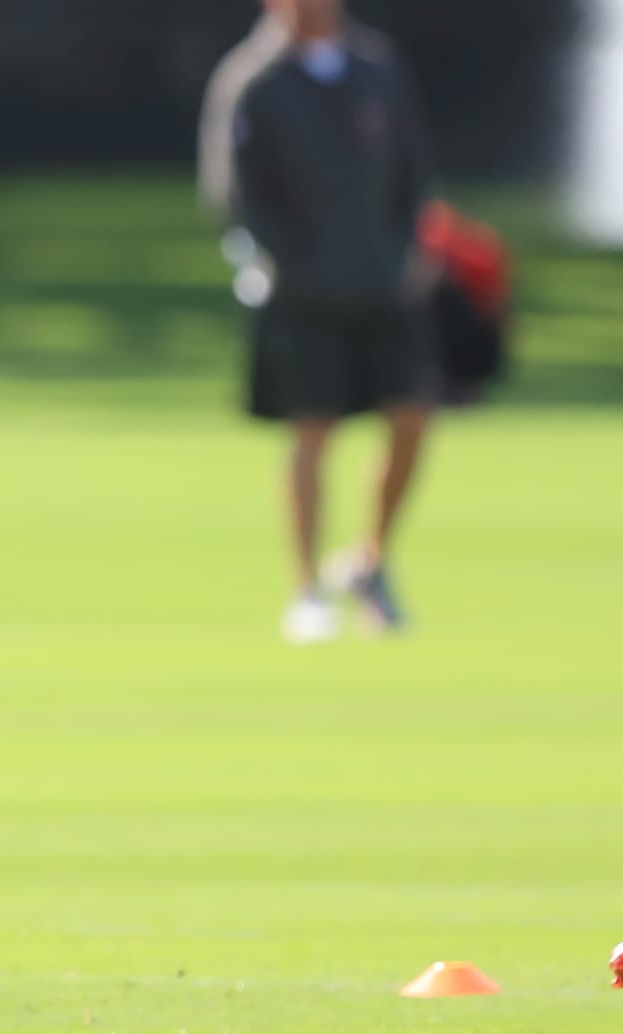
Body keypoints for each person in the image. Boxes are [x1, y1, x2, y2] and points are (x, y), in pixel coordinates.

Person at [204, 0, 436, 642]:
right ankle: (307, 589)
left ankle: (370, 559)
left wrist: (405, 249)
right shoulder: (253, 79)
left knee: (413, 416)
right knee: (313, 431)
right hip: (302, 290)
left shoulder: (376, 67)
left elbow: (412, 169)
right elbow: (234, 192)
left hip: (383, 282)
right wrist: (289, 263)